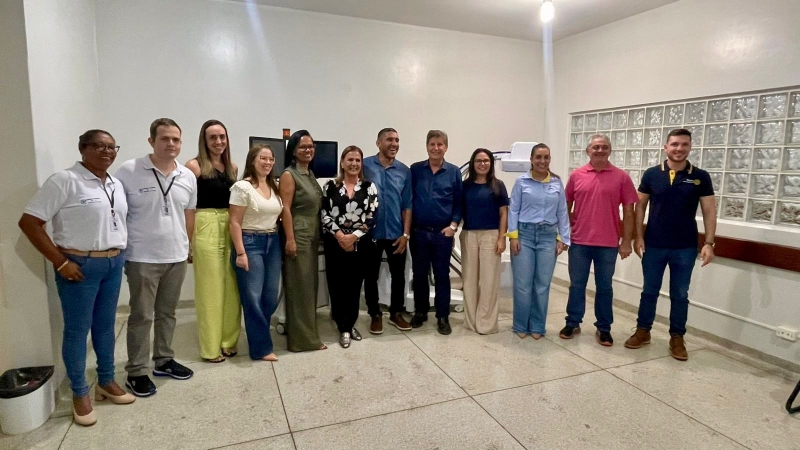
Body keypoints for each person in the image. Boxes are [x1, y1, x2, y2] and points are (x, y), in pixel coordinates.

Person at [18, 130, 135, 426]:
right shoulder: (65, 180)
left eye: (112, 147)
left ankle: (106, 381)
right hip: (79, 266)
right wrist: (60, 262)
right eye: (99, 146)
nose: (107, 151)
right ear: (83, 148)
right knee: (77, 331)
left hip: (112, 263)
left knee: (105, 327)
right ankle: (79, 392)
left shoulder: (115, 183)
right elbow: (29, 222)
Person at [115, 118, 197, 397]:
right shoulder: (129, 171)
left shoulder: (187, 176)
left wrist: (187, 246)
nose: (171, 144)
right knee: (141, 315)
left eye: (176, 139)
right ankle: (137, 371)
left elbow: (188, 213)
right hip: (142, 257)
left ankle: (163, 360)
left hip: (176, 255)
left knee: (167, 313)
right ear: (151, 141)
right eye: (165, 138)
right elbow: (117, 212)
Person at [625, 128, 716, 361]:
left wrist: (709, 243)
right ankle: (643, 330)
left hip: (685, 246)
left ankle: (677, 337)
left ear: (690, 147)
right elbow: (639, 207)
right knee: (649, 291)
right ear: (666, 147)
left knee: (680, 294)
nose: (679, 148)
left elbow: (709, 210)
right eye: (674, 144)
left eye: (684, 144)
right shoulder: (652, 174)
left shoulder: (701, 176)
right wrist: (638, 236)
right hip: (654, 244)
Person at [560, 134, 638, 346]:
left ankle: (604, 328)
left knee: (604, 288)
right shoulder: (576, 175)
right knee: (577, 285)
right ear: (588, 151)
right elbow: (565, 207)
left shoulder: (621, 177)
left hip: (608, 244)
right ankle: (572, 322)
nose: (600, 150)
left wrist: (626, 241)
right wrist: (564, 235)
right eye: (596, 147)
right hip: (579, 242)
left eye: (604, 147)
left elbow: (629, 212)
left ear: (610, 151)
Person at [185, 119, 241, 363]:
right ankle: (210, 348)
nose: (218, 141)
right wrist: (187, 242)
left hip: (230, 226)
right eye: (213, 137)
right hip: (205, 224)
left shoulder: (232, 168)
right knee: (210, 289)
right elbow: (187, 207)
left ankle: (228, 341)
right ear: (204, 140)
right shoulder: (194, 166)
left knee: (232, 287)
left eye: (222, 137)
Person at [508, 144, 570, 339]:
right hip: (524, 236)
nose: (542, 161)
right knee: (523, 284)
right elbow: (513, 209)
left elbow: (562, 212)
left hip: (547, 237)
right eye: (539, 157)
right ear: (531, 159)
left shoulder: (556, 183)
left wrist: (562, 238)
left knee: (542, 284)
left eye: (546, 157)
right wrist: (513, 236)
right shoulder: (521, 182)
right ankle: (520, 325)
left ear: (549, 159)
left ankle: (537, 326)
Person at [321, 146, 379, 348]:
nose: (354, 163)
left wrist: (353, 237)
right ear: (342, 162)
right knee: (337, 285)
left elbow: (372, 217)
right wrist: (340, 236)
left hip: (360, 244)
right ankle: (342, 327)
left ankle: (350, 324)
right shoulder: (330, 186)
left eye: (357, 160)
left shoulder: (369, 187)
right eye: (350, 159)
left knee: (354, 286)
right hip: (335, 242)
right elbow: (325, 214)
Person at [230, 144, 284, 362]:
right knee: (252, 297)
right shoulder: (242, 187)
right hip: (250, 242)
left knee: (270, 295)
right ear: (252, 160)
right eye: (263, 158)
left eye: (271, 159)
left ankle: (260, 336)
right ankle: (261, 348)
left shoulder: (273, 186)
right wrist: (240, 253)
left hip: (273, 241)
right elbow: (234, 221)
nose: (268, 162)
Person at [409, 130, 462, 335]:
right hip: (419, 233)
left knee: (442, 276)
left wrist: (453, 226)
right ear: (427, 146)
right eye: (432, 144)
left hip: (442, 234)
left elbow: (459, 203)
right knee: (419, 275)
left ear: (446, 147)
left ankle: (442, 316)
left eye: (440, 144)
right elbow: (409, 199)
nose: (436, 148)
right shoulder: (416, 170)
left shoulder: (453, 172)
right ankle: (421, 312)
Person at [279, 130, 326, 352]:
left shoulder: (308, 173)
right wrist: (290, 239)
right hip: (298, 234)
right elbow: (285, 209)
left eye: (311, 146)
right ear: (293, 151)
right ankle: (303, 341)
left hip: (312, 234)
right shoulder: (289, 175)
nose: (308, 150)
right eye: (303, 147)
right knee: (300, 289)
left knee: (308, 286)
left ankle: (304, 333)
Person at [362, 128, 412, 334]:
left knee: (398, 276)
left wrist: (406, 234)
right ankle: (375, 314)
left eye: (397, 140)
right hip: (371, 233)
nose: (394, 144)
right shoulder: (365, 166)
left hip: (396, 233)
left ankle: (396, 313)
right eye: (389, 139)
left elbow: (407, 204)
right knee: (370, 276)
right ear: (378, 143)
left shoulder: (404, 171)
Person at [460, 148, 509, 335]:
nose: (482, 164)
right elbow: (458, 210)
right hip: (469, 235)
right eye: (479, 161)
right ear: (473, 164)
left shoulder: (498, 185)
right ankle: (471, 321)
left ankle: (486, 323)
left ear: (491, 163)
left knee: (489, 281)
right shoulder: (465, 186)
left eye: (486, 161)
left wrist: (502, 238)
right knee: (469, 280)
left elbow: (504, 213)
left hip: (491, 235)